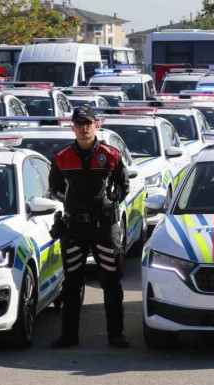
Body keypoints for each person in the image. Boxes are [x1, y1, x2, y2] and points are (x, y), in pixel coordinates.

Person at [49, 106, 131, 349]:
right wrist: (72, 201)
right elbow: (54, 187)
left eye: (88, 123)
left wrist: (111, 200)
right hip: (74, 227)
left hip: (104, 228)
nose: (84, 127)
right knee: (72, 283)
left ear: (97, 124)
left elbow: (123, 186)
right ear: (72, 126)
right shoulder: (61, 156)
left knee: (111, 282)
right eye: (79, 123)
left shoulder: (111, 154)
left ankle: (116, 334)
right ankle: (68, 335)